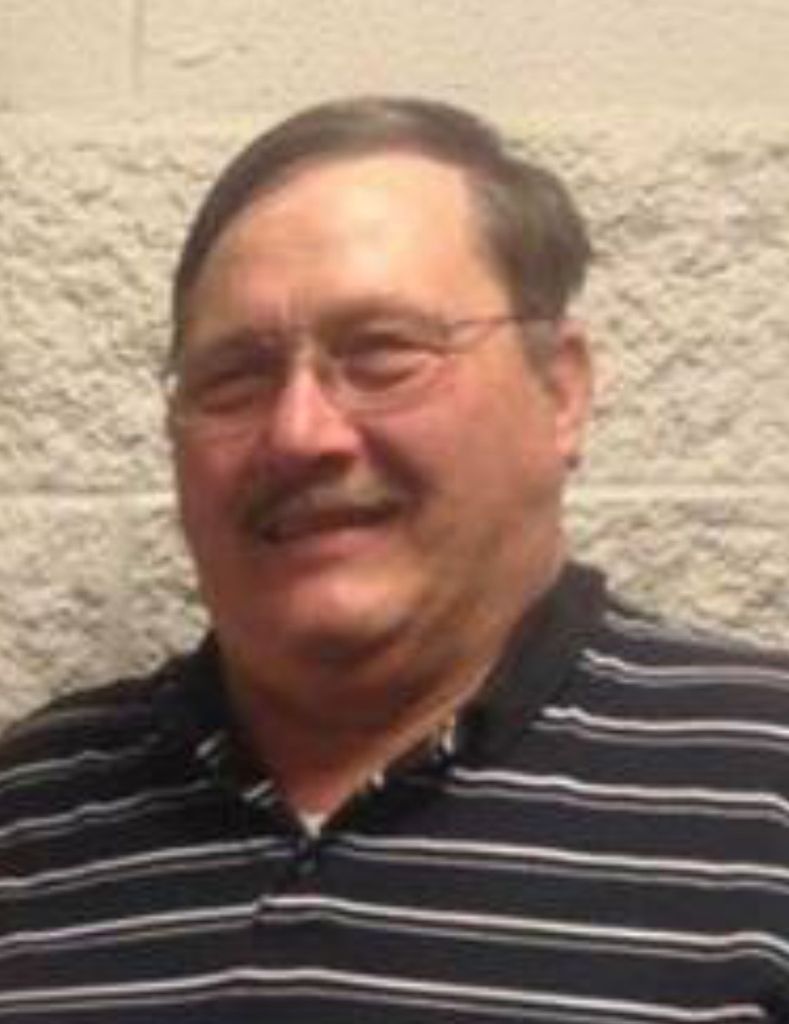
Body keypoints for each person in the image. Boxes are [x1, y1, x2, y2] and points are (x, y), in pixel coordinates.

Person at [2, 95, 789, 1023]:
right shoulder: (28, 811)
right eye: (235, 377)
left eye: (382, 353)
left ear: (560, 391)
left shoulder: (763, 788)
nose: (300, 434)